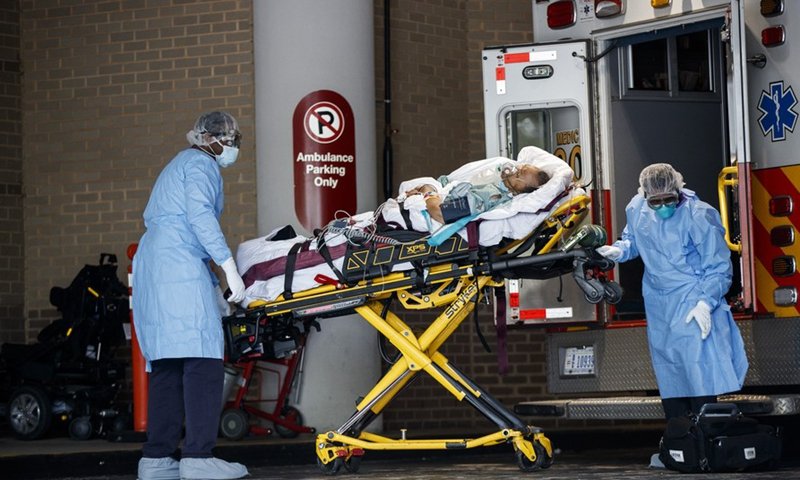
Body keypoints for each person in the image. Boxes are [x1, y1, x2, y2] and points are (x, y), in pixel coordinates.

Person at [132, 111, 249, 480]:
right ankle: (198, 455)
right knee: (203, 362)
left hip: (156, 267)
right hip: (179, 267)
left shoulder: (178, 164)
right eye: (227, 140)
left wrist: (213, 287)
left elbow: (184, 226)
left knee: (167, 364)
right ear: (209, 139)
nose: (231, 147)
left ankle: (157, 459)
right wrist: (229, 266)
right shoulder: (201, 165)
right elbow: (199, 217)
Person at [596, 163, 748, 422]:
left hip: (693, 298)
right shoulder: (637, 209)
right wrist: (619, 250)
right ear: (644, 195)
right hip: (660, 303)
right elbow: (634, 241)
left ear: (679, 191)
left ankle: (706, 435)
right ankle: (680, 436)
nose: (663, 206)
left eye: (669, 200)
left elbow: (719, 268)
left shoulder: (699, 215)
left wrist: (705, 303)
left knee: (699, 372)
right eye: (655, 202)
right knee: (670, 371)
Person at [408, 161, 550, 224]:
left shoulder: (489, 197)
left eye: (520, 173)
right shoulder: (495, 177)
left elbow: (441, 213)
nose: (515, 169)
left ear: (520, 190)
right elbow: (447, 182)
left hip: (422, 209)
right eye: (521, 166)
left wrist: (427, 189)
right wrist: (425, 187)